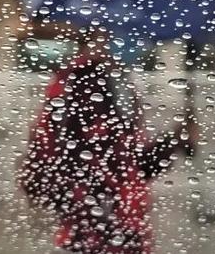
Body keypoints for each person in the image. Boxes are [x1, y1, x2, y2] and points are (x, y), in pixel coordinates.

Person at [18, 26, 196, 253]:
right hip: (99, 219)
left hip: (116, 220)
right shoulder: (80, 80)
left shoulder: (113, 78)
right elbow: (101, 156)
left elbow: (132, 161)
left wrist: (177, 139)